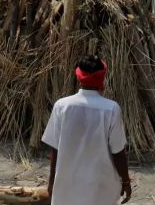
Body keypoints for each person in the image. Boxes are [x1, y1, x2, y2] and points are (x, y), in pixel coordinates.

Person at [42, 55, 131, 205]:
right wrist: (126, 181)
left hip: (67, 184)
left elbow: (55, 150)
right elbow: (118, 152)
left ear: (79, 77)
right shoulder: (111, 109)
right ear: (102, 78)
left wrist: (52, 181)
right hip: (100, 185)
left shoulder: (62, 106)